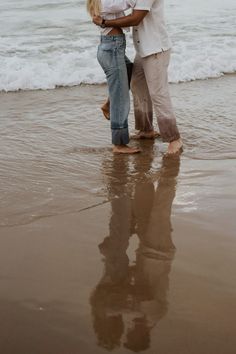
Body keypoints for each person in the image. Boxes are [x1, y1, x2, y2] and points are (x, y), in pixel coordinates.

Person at [93, 0, 183, 155]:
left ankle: (174, 139)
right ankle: (145, 130)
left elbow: (136, 18)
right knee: (138, 87)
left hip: (155, 49)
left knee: (158, 93)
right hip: (143, 49)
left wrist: (104, 22)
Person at [87, 0, 140, 154]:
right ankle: (119, 144)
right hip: (112, 48)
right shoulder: (106, 2)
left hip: (113, 47)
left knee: (130, 69)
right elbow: (128, 3)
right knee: (121, 98)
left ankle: (108, 104)